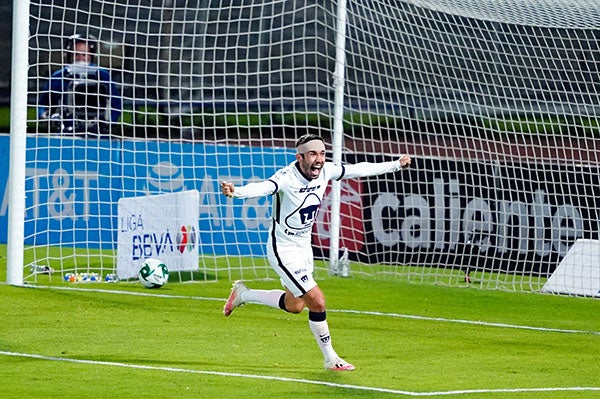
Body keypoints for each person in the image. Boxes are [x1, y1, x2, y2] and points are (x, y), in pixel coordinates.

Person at [221, 133, 412, 371]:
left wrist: (395, 164)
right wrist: (236, 191)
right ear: (299, 157)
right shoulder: (286, 178)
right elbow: (263, 188)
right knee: (318, 302)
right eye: (313, 154)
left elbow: (358, 169)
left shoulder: (326, 171)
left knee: (295, 305)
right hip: (283, 250)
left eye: (322, 153)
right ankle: (331, 358)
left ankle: (243, 294)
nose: (319, 159)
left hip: (304, 248)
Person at [38, 33, 122, 137]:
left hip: (98, 130)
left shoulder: (103, 75)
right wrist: (44, 115)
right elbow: (43, 103)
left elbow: (116, 104)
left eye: (84, 54)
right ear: (69, 55)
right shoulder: (59, 76)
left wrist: (109, 121)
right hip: (67, 129)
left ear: (91, 55)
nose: (80, 58)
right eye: (76, 54)